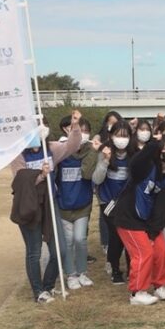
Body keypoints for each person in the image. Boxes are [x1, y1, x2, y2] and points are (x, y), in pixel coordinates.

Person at [10, 112, 81, 303]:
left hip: (50, 204)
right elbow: (20, 180)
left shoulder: (51, 149)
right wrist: (40, 175)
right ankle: (38, 291)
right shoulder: (18, 154)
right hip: (30, 206)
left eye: (42, 125)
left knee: (60, 249)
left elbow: (72, 146)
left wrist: (75, 127)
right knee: (34, 250)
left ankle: (48, 286)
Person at [111, 133, 165, 305]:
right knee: (143, 252)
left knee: (161, 250)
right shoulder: (146, 167)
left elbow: (162, 205)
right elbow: (135, 162)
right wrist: (153, 144)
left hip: (148, 220)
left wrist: (154, 230)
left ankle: (159, 285)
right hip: (128, 217)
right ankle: (137, 292)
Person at [56, 115, 99, 290]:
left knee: (80, 239)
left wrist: (94, 152)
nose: (84, 135)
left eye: (87, 131)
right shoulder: (60, 151)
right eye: (81, 131)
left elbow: (88, 174)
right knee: (68, 241)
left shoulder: (90, 151)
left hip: (83, 204)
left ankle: (82, 272)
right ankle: (71, 274)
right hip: (64, 205)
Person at [92, 120, 133, 284]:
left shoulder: (134, 154)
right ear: (111, 136)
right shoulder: (104, 153)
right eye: (118, 135)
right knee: (116, 236)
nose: (121, 139)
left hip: (128, 202)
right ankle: (115, 269)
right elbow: (97, 178)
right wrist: (105, 160)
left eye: (125, 136)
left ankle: (133, 268)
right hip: (108, 202)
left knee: (130, 234)